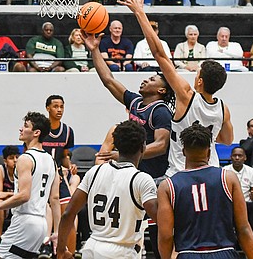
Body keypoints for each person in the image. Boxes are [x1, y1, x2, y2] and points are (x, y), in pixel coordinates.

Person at [117, 0, 234, 172]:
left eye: (197, 74)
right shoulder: (223, 109)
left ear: (200, 81)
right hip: (211, 171)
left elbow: (159, 54)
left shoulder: (186, 94)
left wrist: (139, 12)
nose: (195, 76)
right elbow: (227, 140)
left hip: (181, 172)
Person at [83, 29, 173, 258]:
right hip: (133, 176)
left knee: (157, 233)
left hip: (156, 179)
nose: (145, 79)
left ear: (161, 90)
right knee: (128, 231)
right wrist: (94, 51)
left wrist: (128, 154)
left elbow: (162, 145)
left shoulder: (160, 111)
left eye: (152, 79)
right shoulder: (136, 102)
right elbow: (109, 80)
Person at [56, 120, 158, 259]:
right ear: (143, 148)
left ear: (116, 146)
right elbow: (160, 219)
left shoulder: (94, 172)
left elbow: (68, 213)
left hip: (92, 248)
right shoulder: (142, 179)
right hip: (122, 252)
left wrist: (61, 249)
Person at [157, 123, 253, 259]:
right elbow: (243, 229)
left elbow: (165, 235)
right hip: (224, 253)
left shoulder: (167, 186)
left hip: (188, 254)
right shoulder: (228, 178)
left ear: (183, 151)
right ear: (209, 152)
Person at [0, 112, 61, 259]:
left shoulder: (25, 158)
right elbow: (55, 198)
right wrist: (56, 232)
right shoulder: (52, 161)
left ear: (36, 133)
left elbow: (24, 195)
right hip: (42, 224)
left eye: (25, 126)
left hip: (25, 221)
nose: (21, 129)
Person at [41, 95, 78, 256]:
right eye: (55, 106)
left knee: (68, 215)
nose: (59, 110)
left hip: (59, 178)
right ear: (48, 108)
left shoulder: (68, 131)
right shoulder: (39, 130)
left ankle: (69, 253)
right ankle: (44, 246)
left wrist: (69, 166)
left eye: (62, 106)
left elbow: (63, 156)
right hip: (42, 178)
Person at [224, 147, 253, 249]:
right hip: (229, 204)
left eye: (240, 156)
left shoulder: (252, 172)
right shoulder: (224, 171)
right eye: (234, 156)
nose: (237, 158)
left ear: (245, 158)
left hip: (247, 203)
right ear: (230, 157)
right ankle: (229, 243)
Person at [0, 145, 20, 254]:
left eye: (17, 157)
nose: (15, 160)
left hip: (19, 204)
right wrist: (15, 194)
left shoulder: (23, 169)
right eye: (11, 158)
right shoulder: (0, 169)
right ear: (5, 160)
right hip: (7, 206)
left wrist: (10, 195)